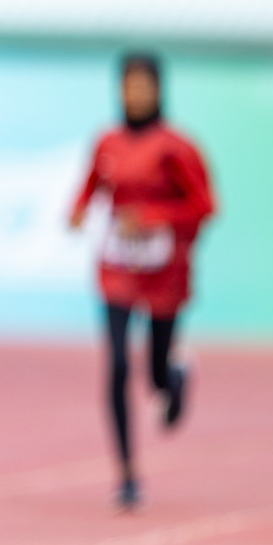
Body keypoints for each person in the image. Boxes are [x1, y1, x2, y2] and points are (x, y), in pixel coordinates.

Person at [70, 53, 214, 510]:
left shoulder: (177, 148)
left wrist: (153, 218)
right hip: (116, 269)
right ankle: (127, 473)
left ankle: (173, 376)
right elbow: (90, 187)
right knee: (115, 366)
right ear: (119, 90)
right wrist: (76, 211)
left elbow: (204, 205)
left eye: (143, 87)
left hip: (163, 272)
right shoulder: (106, 142)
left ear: (157, 90)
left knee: (152, 373)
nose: (135, 95)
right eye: (128, 87)